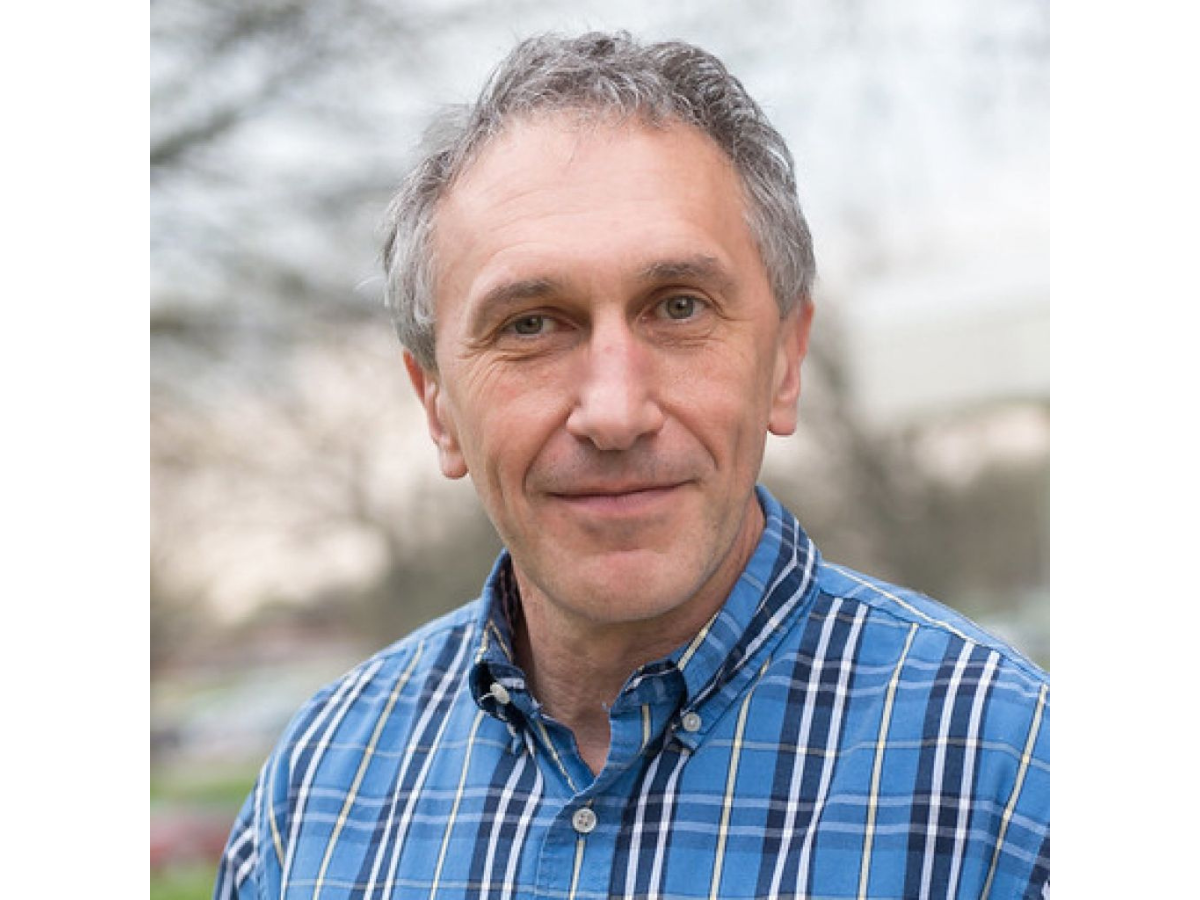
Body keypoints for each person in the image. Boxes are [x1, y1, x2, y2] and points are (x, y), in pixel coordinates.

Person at [214, 31, 1049, 900]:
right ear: (436, 404)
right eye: (531, 324)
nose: (614, 411)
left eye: (678, 307)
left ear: (785, 364)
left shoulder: (1016, 783)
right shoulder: (310, 800)